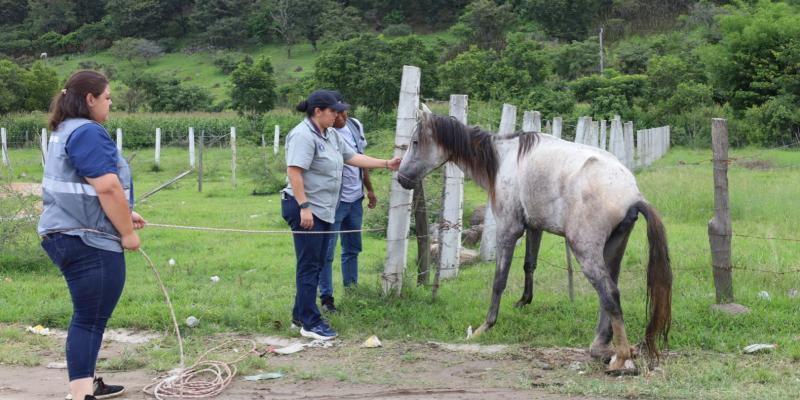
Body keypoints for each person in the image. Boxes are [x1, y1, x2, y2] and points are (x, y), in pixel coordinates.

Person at [38, 70, 145, 400]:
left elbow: (82, 188)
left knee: (88, 315)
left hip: (64, 232)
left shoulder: (65, 129)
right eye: (108, 97)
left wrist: (125, 213)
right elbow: (108, 187)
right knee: (90, 318)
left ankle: (86, 381)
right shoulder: (88, 132)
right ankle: (82, 392)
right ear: (90, 99)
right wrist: (126, 232)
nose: (110, 103)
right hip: (87, 239)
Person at [282, 89, 400, 340]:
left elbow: (353, 157)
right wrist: (304, 207)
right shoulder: (303, 135)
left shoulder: (331, 134)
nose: (337, 114)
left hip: (324, 208)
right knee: (310, 265)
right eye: (333, 110)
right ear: (318, 111)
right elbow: (294, 172)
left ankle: (299, 315)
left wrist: (386, 163)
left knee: (315, 263)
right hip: (305, 208)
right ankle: (311, 323)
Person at [317, 96, 376, 313]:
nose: (342, 117)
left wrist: (368, 189)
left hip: (355, 199)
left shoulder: (354, 126)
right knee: (327, 251)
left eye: (345, 112)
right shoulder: (324, 134)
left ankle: (352, 292)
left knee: (352, 247)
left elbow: (361, 159)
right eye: (337, 113)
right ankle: (326, 298)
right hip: (333, 202)